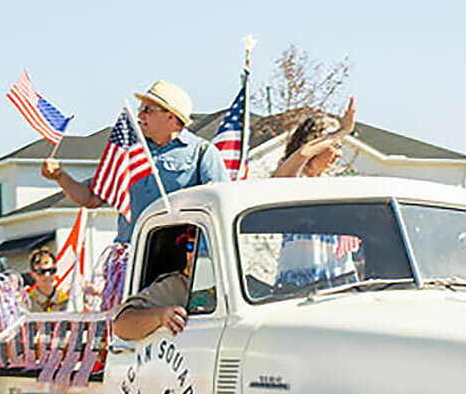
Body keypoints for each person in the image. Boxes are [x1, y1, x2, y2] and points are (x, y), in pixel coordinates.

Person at [41, 80, 232, 241]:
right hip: (133, 256)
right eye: (140, 110)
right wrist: (59, 176)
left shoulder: (203, 152)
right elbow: (91, 197)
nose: (140, 116)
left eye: (148, 110)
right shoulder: (129, 152)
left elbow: (220, 207)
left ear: (171, 116)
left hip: (181, 257)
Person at [113, 226, 202, 341]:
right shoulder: (178, 285)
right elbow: (122, 325)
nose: (193, 253)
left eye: (201, 247)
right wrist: (160, 316)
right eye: (189, 247)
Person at [272, 101, 358, 178]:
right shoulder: (288, 173)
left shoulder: (326, 182)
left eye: (339, 147)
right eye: (334, 145)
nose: (339, 154)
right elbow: (303, 154)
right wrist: (344, 131)